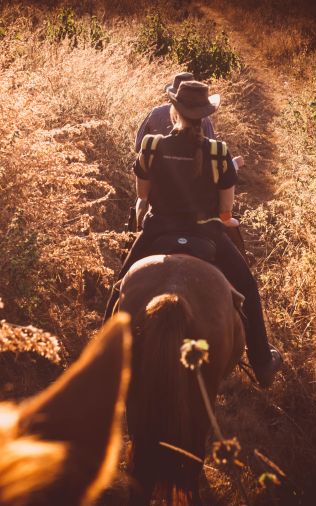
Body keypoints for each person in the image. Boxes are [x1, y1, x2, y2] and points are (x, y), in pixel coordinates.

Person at [106, 80, 283, 388]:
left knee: (119, 287)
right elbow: (225, 211)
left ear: (174, 110)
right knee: (249, 289)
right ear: (205, 116)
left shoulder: (152, 145)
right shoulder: (218, 152)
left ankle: (101, 359)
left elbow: (142, 196)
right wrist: (224, 219)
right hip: (208, 237)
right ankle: (261, 362)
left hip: (157, 231)